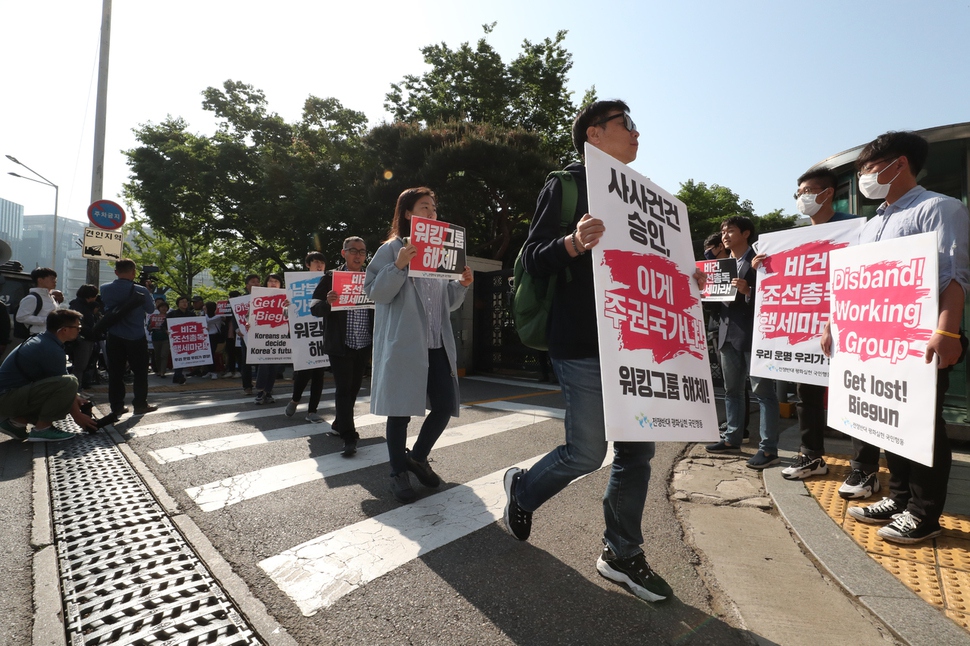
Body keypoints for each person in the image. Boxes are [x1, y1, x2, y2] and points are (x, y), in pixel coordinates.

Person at [502, 100, 674, 603]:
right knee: (586, 452)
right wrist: (574, 243)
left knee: (637, 454)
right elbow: (533, 257)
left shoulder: (645, 200)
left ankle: (621, 554)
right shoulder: (567, 184)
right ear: (595, 135)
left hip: (636, 347)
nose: (637, 133)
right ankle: (524, 489)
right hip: (581, 343)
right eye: (628, 125)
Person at [828, 131, 970, 544]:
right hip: (875, 344)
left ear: (899, 164)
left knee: (922, 425)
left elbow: (955, 274)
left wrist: (947, 330)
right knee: (886, 420)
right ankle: (900, 497)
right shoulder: (871, 225)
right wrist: (833, 326)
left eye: (868, 169)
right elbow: (853, 285)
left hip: (919, 340)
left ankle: (924, 515)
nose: (864, 180)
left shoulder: (938, 208)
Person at [364, 187, 473, 503]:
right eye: (424, 207)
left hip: (436, 342)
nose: (432, 213)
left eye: (434, 208)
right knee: (399, 411)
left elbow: (445, 303)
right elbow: (375, 292)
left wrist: (461, 286)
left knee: (444, 404)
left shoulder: (439, 252)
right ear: (408, 214)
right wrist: (398, 265)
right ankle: (398, 473)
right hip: (405, 344)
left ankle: (418, 456)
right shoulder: (391, 249)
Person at [752, 168, 859, 481]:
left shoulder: (852, 229)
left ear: (828, 193)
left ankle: (863, 468)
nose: (802, 199)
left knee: (852, 398)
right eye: (798, 193)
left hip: (844, 329)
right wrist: (762, 266)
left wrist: (833, 320)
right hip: (806, 336)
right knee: (806, 396)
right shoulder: (795, 238)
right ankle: (811, 455)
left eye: (808, 192)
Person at [705, 216, 781, 468]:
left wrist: (749, 292)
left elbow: (777, 296)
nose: (725, 235)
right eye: (723, 231)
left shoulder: (761, 260)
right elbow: (715, 305)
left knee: (763, 393)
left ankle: (768, 449)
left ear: (746, 233)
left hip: (755, 336)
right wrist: (704, 287)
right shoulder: (723, 264)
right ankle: (732, 438)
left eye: (731, 231)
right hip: (727, 334)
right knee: (731, 391)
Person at [310, 238, 374, 456]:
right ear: (343, 253)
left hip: (364, 342)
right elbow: (314, 307)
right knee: (344, 389)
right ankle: (349, 435)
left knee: (354, 388)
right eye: (353, 251)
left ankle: (339, 423)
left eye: (362, 252)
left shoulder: (371, 278)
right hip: (341, 344)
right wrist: (327, 303)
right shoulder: (331, 278)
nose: (358, 255)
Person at [0, 309, 97, 442]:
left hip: (8, 397)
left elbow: (53, 381)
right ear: (64, 330)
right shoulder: (50, 348)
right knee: (70, 382)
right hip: (6, 399)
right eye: (77, 327)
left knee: (67, 388)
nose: (79, 330)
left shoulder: (43, 340)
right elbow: (65, 383)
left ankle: (16, 424)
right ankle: (42, 429)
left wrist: (76, 397)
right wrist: (78, 417)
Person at [101, 258, 157, 415]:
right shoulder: (141, 291)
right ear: (133, 272)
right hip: (136, 336)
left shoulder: (104, 288)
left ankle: (117, 407)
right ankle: (140, 405)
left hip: (114, 335)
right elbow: (151, 309)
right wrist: (148, 291)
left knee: (115, 373)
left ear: (116, 272)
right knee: (140, 373)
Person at [284, 252, 329, 425]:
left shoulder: (327, 282)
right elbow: (288, 312)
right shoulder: (296, 284)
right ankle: (295, 400)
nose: (319, 266)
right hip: (303, 335)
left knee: (319, 373)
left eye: (322, 263)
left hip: (321, 332)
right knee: (304, 372)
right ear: (308, 265)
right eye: (316, 262)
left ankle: (312, 411)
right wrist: (287, 308)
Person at [254, 273, 285, 404]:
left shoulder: (286, 298)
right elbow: (251, 315)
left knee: (274, 366)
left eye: (276, 281)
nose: (273, 283)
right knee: (264, 364)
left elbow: (290, 316)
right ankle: (261, 391)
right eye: (270, 281)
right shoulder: (259, 297)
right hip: (263, 336)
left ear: (280, 284)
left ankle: (268, 392)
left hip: (280, 336)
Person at [68, 284, 100, 394]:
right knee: (80, 365)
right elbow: (80, 323)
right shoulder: (79, 306)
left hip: (87, 337)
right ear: (90, 296)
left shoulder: (82, 305)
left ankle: (78, 388)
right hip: (83, 339)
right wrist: (92, 330)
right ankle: (76, 389)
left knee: (82, 365)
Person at [15, 267, 58, 341]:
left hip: (50, 336)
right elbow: (21, 317)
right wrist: (46, 320)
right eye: (52, 278)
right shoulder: (32, 298)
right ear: (40, 280)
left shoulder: (50, 297)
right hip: (37, 336)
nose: (55, 281)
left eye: (55, 279)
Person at [239, 274, 261, 395]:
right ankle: (247, 386)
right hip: (246, 335)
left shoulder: (265, 298)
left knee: (261, 360)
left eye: (258, 282)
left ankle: (261, 384)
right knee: (246, 362)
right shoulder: (240, 301)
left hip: (261, 334)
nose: (256, 284)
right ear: (247, 286)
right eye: (253, 282)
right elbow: (235, 317)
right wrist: (237, 328)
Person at [167, 296, 194, 384]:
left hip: (188, 339)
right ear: (178, 304)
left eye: (186, 301)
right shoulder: (172, 314)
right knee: (178, 356)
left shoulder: (191, 314)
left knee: (184, 357)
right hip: (176, 339)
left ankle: (177, 376)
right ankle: (178, 375)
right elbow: (164, 325)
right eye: (182, 302)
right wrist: (167, 331)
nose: (185, 303)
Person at [149, 301, 170, 378]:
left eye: (165, 307)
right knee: (157, 355)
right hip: (156, 338)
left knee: (164, 355)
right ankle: (159, 370)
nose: (164, 308)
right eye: (162, 307)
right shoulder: (153, 317)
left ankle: (163, 372)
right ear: (158, 308)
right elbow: (149, 328)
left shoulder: (170, 316)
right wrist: (150, 326)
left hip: (166, 338)